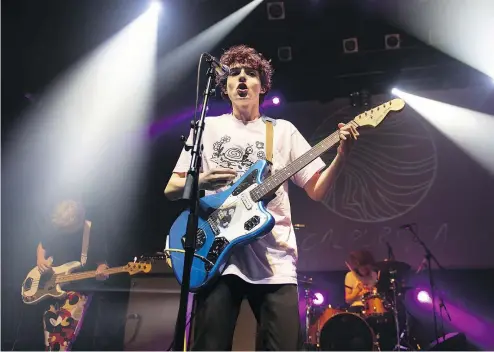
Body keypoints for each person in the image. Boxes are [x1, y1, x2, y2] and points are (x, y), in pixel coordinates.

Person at [164, 44, 359, 350]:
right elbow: (171, 188)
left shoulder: (281, 131)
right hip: (217, 257)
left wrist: (342, 155)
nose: (241, 78)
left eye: (250, 73)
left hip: (274, 262)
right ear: (225, 86)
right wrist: (203, 179)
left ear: (262, 86)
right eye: (234, 73)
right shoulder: (207, 128)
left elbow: (317, 190)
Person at [37, 199, 109, 351]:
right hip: (51, 289)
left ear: (79, 220)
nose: (64, 232)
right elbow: (42, 246)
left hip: (78, 290)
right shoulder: (56, 229)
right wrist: (40, 259)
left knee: (60, 340)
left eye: (68, 228)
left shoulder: (92, 231)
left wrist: (103, 270)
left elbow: (102, 262)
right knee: (49, 340)